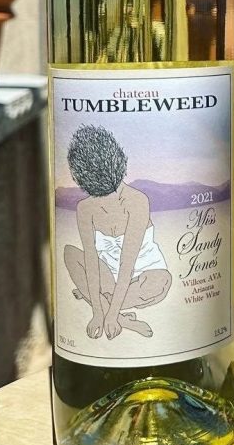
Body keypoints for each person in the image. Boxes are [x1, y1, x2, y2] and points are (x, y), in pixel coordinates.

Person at [63, 124, 172, 340]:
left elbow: (127, 263)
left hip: (143, 273)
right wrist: (98, 314)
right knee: (69, 253)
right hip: (106, 275)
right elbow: (92, 261)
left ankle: (99, 300)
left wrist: (110, 315)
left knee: (161, 282)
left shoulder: (137, 201)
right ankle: (113, 311)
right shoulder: (85, 208)